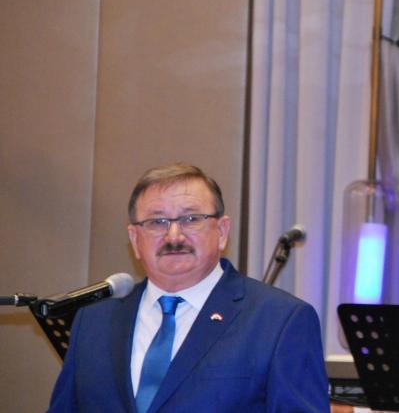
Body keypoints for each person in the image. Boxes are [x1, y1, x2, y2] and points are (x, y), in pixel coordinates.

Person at [48, 162, 329, 412]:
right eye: (157, 222)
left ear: (222, 232)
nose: (174, 236)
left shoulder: (279, 320)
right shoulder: (94, 320)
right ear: (134, 239)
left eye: (191, 219)